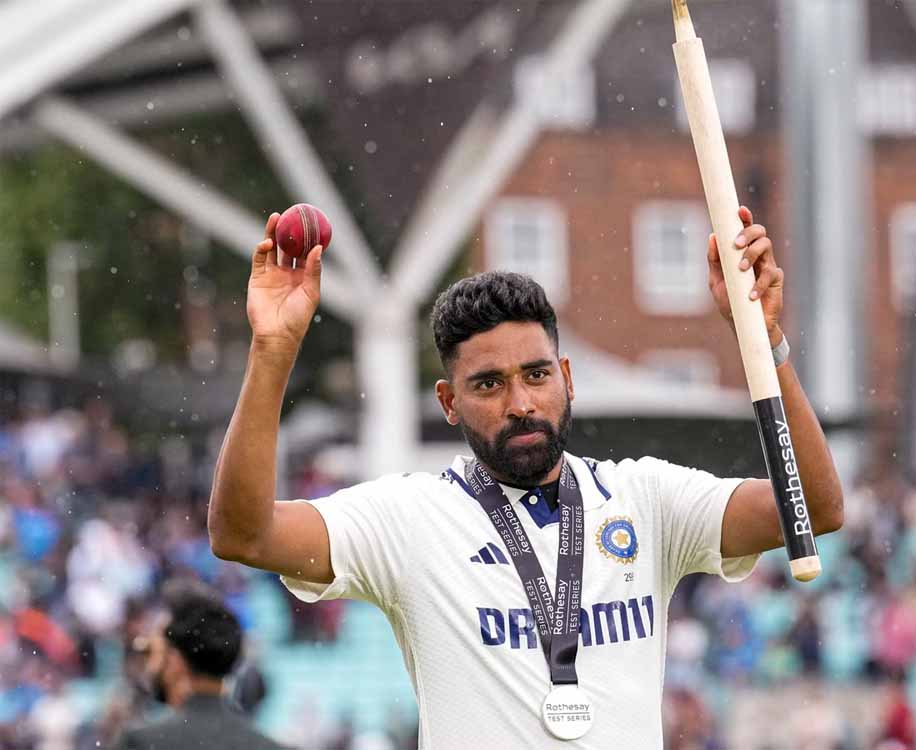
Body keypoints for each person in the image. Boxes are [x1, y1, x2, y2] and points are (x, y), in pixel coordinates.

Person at [209, 207, 844, 747]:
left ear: (566, 378)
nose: (521, 404)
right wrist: (273, 350)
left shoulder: (645, 498)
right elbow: (244, 535)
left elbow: (812, 509)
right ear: (449, 402)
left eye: (537, 375)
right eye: (488, 384)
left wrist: (766, 342)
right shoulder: (410, 517)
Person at [116, 582, 287, 750]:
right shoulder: (271, 747)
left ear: (175, 661)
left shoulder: (141, 742)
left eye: (151, 651)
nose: (149, 666)